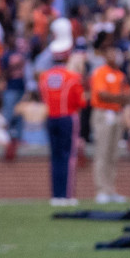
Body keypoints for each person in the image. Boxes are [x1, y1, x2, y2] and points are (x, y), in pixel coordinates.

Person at [39, 27, 85, 207]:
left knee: (55, 156)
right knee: (68, 156)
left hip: (51, 118)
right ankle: (66, 195)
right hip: (68, 117)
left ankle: (56, 194)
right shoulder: (73, 77)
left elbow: (43, 96)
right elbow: (79, 101)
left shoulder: (45, 76)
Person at [90, 32, 130, 204]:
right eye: (110, 53)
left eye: (116, 53)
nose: (114, 56)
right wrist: (118, 98)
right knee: (102, 153)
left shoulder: (120, 74)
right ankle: (101, 189)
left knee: (113, 154)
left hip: (116, 114)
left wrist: (118, 98)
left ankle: (111, 189)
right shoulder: (100, 72)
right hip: (103, 113)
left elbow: (128, 96)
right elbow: (102, 94)